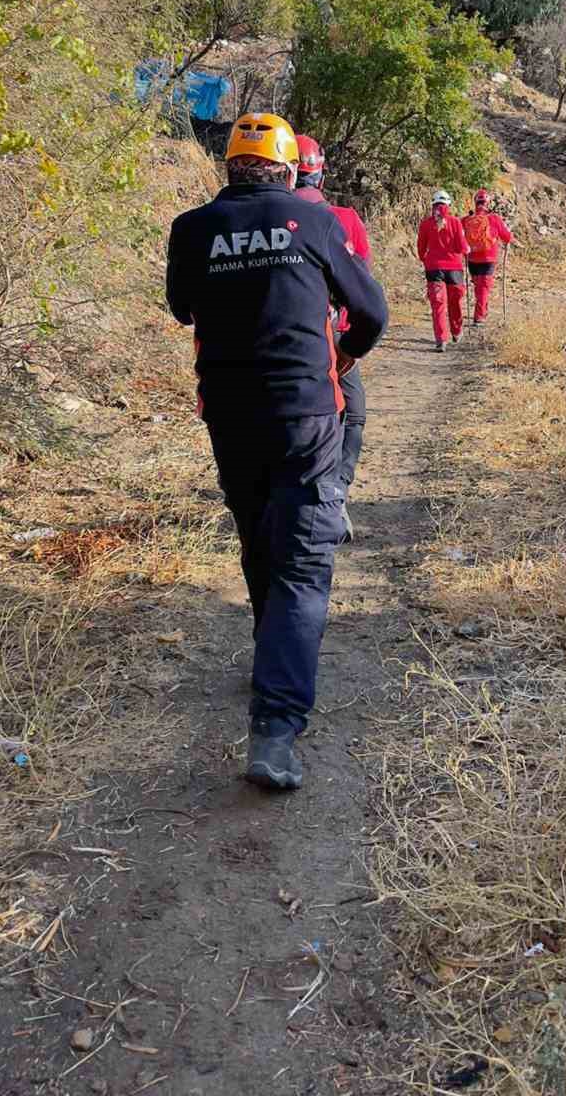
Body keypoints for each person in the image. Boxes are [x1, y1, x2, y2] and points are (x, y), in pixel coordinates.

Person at [166, 112, 388, 791]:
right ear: (291, 170)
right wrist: (341, 357)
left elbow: (181, 307)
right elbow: (372, 312)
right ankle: (276, 727)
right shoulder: (315, 221)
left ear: (228, 166)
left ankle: (272, 662)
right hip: (307, 416)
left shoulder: (191, 228)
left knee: (260, 538)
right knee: (302, 561)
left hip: (230, 418)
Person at [293, 134, 371, 537]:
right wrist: (350, 347)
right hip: (330, 341)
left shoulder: (249, 218)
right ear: (320, 174)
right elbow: (364, 293)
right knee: (350, 413)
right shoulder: (344, 219)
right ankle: (335, 494)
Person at [417, 190, 469, 352]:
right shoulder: (455, 222)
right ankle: (456, 331)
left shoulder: (426, 224)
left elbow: (420, 249)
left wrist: (427, 260)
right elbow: (462, 246)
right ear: (449, 205)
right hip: (454, 269)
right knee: (455, 303)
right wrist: (467, 250)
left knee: (438, 304)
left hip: (434, 269)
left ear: (433, 205)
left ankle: (441, 339)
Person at [462, 189, 514, 325]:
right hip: (488, 258)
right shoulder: (494, 218)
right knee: (483, 288)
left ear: (475, 203)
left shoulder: (466, 219)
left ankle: (483, 310)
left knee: (479, 287)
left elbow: (457, 235)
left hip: (472, 258)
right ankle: (479, 317)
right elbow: (507, 237)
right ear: (487, 203)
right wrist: (510, 238)